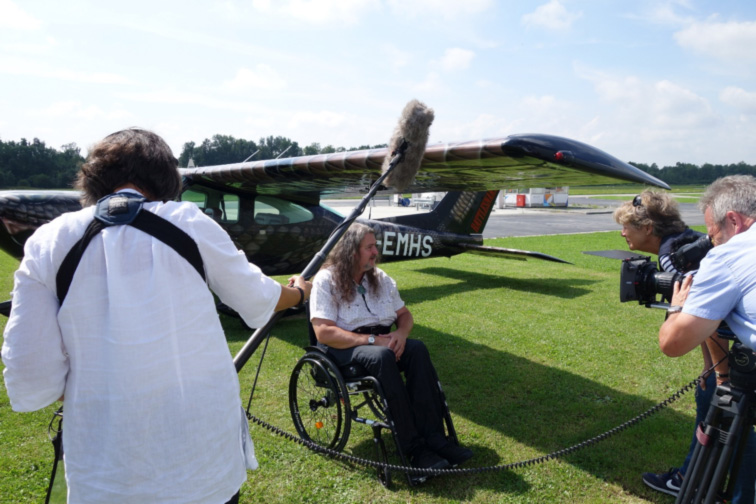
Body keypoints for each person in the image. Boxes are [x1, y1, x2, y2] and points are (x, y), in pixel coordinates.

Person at [2, 128, 312, 504]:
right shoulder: (191, 222)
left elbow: (31, 377)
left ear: (93, 180)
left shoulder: (47, 242)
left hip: (104, 479)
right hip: (204, 471)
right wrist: (298, 293)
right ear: (167, 179)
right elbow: (257, 299)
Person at [308, 222, 473, 470]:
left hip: (383, 342)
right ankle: (414, 448)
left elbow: (404, 314)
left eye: (376, 246)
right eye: (370, 247)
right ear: (351, 251)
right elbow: (324, 332)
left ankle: (436, 438)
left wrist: (402, 334)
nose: (376, 252)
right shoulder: (327, 279)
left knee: (417, 350)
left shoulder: (380, 278)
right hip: (344, 348)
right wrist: (373, 341)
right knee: (383, 357)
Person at [614, 190, 723, 496]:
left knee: (711, 403)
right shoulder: (685, 240)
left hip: (729, 352)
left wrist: (713, 366)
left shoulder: (672, 258)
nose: (622, 233)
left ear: (648, 228)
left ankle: (691, 481)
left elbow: (709, 311)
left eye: (627, 226)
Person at [659, 175, 756, 502]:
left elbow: (672, 344)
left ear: (734, 221)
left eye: (714, 236)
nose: (713, 244)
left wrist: (678, 306)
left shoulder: (732, 254)